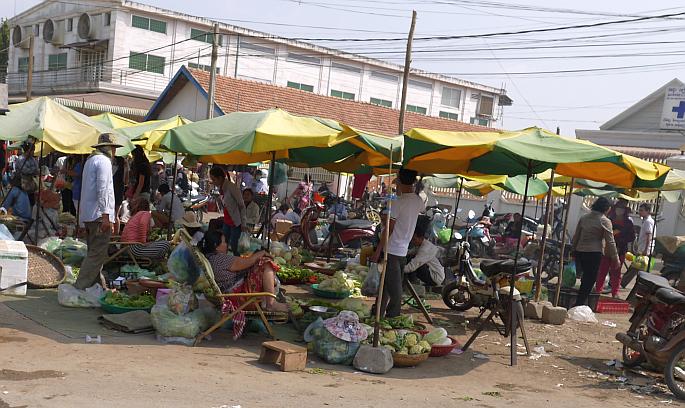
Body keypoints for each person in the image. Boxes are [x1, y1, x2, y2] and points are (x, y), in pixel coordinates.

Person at [371, 168, 425, 318]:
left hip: (392, 250)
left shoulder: (397, 203)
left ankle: (392, 317)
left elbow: (388, 229)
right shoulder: (417, 201)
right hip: (402, 251)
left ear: (399, 180)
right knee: (386, 286)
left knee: (394, 290)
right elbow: (416, 205)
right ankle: (377, 313)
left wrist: (377, 252)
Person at [73, 133, 121, 290]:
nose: (114, 153)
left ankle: (98, 286)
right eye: (114, 149)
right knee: (96, 254)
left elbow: (87, 191)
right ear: (110, 148)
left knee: (94, 252)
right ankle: (80, 287)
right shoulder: (104, 162)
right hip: (98, 215)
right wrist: (106, 216)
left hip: (89, 215)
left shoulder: (90, 161)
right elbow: (103, 189)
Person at [200, 229, 287, 312]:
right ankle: (271, 304)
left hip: (233, 293)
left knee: (260, 264)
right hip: (239, 297)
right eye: (224, 242)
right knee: (266, 263)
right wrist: (262, 253)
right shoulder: (219, 259)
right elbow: (247, 262)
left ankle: (268, 301)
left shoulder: (211, 258)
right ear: (216, 245)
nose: (227, 244)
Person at [572, 197, 620, 307]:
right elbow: (610, 242)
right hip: (594, 252)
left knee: (585, 278)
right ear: (607, 209)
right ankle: (580, 302)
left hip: (580, 251)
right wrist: (615, 258)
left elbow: (576, 236)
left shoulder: (584, 218)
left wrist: (573, 250)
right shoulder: (605, 221)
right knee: (590, 279)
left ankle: (580, 301)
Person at [595, 200, 634, 298]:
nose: (619, 210)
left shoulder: (628, 223)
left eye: (621, 209)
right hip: (607, 248)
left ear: (625, 211)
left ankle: (615, 292)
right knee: (602, 270)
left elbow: (632, 237)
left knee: (616, 272)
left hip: (620, 250)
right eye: (618, 208)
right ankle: (598, 290)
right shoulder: (609, 220)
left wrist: (620, 237)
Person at [209, 167, 247, 256]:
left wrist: (244, 223)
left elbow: (241, 205)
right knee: (224, 244)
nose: (213, 182)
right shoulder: (222, 188)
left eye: (214, 179)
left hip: (236, 223)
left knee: (234, 246)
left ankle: (238, 265)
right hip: (227, 221)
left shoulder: (231, 187)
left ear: (220, 178)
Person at [14, 142, 39, 207]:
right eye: (33, 150)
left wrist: (32, 170)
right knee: (23, 203)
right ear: (28, 150)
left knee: (31, 202)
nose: (34, 152)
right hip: (22, 185)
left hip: (31, 185)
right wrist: (33, 170)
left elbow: (37, 169)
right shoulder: (20, 159)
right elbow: (25, 170)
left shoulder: (32, 159)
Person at [113, 156, 127, 235]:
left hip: (114, 191)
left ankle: (113, 234)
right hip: (120, 192)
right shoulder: (123, 169)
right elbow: (126, 181)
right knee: (116, 215)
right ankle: (115, 235)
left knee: (113, 215)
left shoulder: (114, 168)